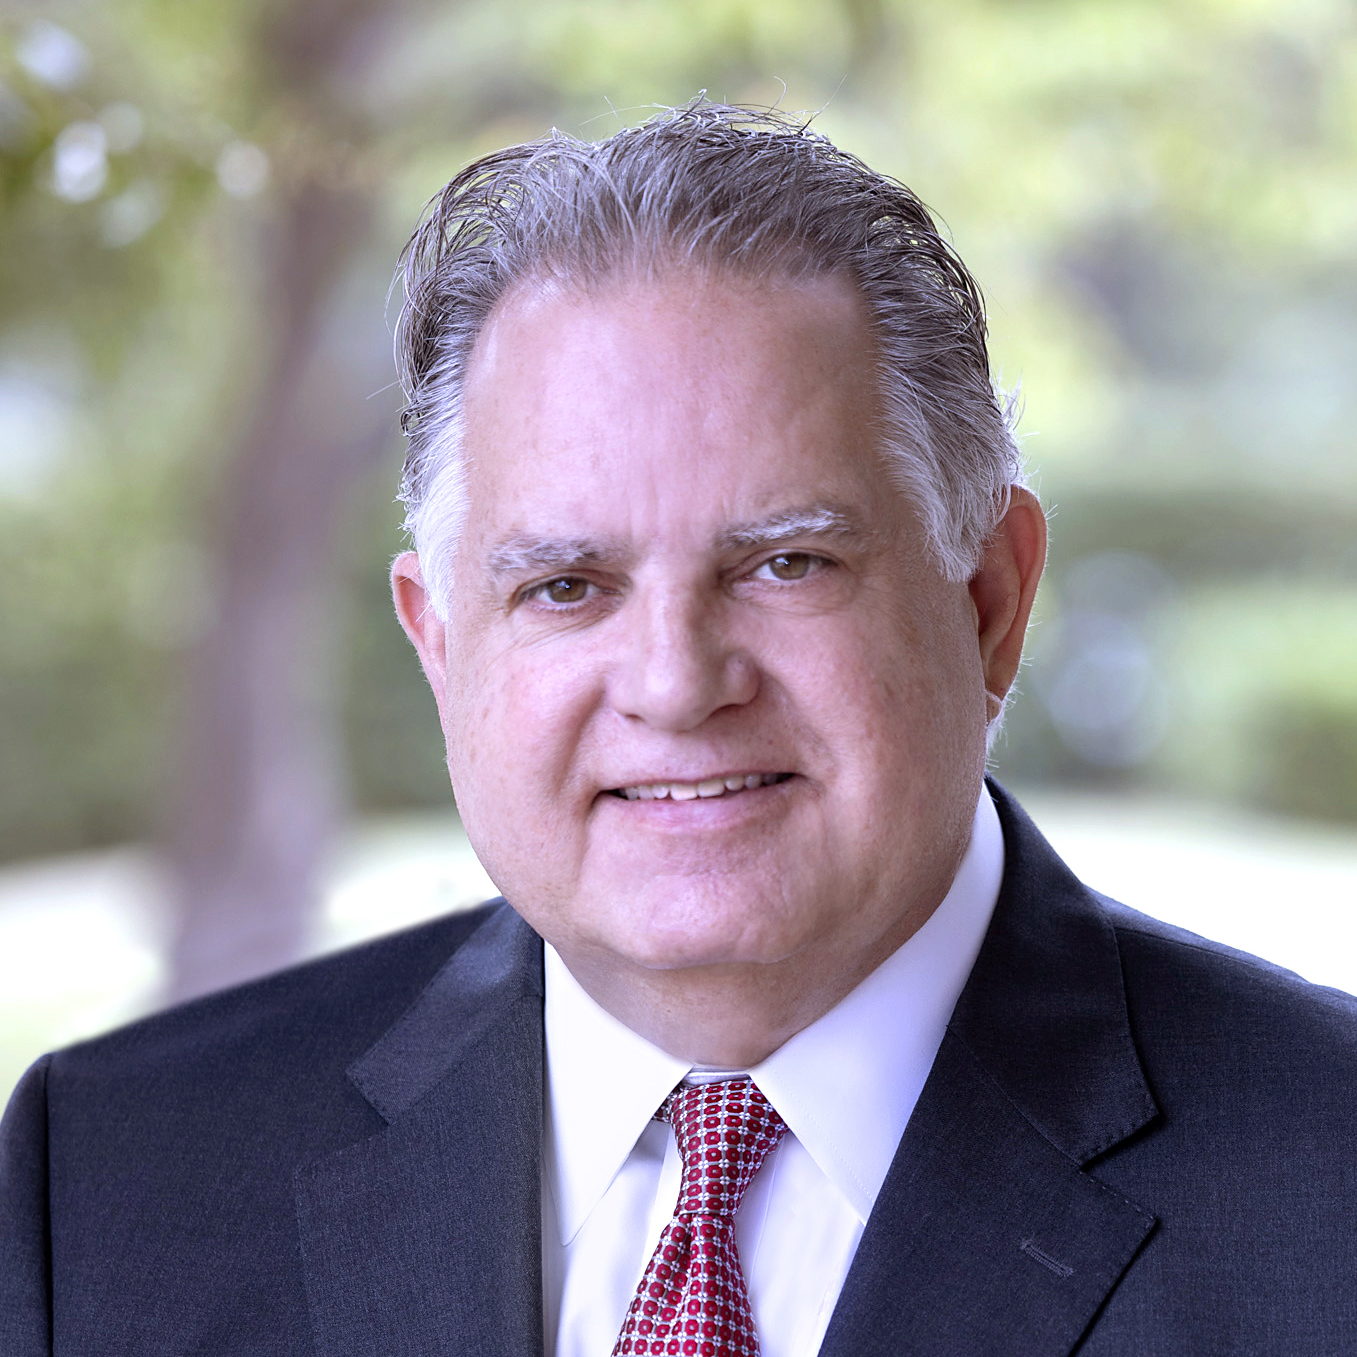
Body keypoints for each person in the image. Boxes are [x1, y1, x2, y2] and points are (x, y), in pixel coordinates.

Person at [2, 100, 1355, 1357]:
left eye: (784, 563)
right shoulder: (109, 1185)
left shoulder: (1327, 1188)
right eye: (565, 585)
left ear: (989, 599)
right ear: (437, 643)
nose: (672, 680)